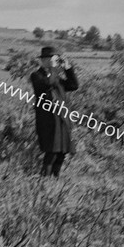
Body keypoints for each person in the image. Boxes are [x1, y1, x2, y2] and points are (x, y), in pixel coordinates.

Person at [30, 46, 78, 177]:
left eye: (55, 60)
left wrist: (68, 69)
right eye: (52, 59)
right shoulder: (36, 75)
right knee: (51, 151)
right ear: (44, 60)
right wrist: (54, 68)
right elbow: (47, 83)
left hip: (62, 118)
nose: (55, 62)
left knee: (62, 151)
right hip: (48, 120)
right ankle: (45, 179)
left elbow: (74, 85)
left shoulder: (56, 77)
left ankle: (55, 180)